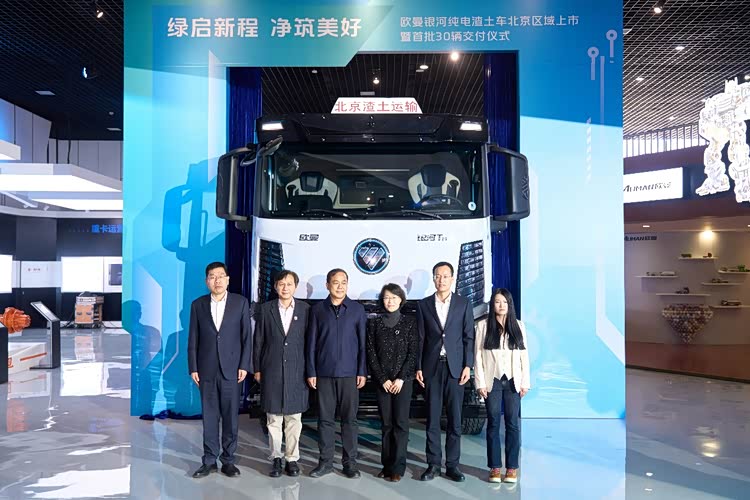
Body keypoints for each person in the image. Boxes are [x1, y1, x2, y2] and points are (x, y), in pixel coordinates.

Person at [188, 262, 252, 478]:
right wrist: (193, 367)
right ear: (207, 281)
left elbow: (247, 337)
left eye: (220, 276)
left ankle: (228, 460)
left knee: (231, 418)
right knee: (209, 418)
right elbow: (193, 338)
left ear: (228, 279)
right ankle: (209, 461)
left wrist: (244, 365)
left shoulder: (240, 303)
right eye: (212, 277)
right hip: (206, 370)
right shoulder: (198, 305)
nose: (217, 280)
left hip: (232, 370)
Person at [415, 261, 474, 482]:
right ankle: (433, 465)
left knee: (455, 420)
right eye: (437, 276)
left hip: (455, 368)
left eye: (445, 276)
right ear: (433, 279)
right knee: (432, 419)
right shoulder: (423, 305)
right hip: (431, 368)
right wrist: (418, 366)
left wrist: (468, 365)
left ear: (452, 278)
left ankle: (452, 466)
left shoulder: (463, 304)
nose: (441, 280)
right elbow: (420, 338)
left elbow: (469, 336)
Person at [306, 268, 367, 479]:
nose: (340, 286)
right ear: (327, 285)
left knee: (350, 420)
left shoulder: (357, 310)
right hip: (324, 373)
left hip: (350, 374)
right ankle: (325, 463)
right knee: (325, 420)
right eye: (335, 282)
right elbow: (311, 344)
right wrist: (311, 371)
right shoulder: (317, 310)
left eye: (343, 282)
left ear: (347, 285)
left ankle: (350, 464)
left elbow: (362, 344)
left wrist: (362, 371)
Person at [253, 270, 311, 478]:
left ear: (296, 286)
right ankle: (276, 457)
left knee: (294, 418)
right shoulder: (266, 309)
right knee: (274, 418)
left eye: (289, 284)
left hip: (297, 370)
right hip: (272, 369)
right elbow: (258, 341)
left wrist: (310, 370)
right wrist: (257, 368)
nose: (285, 288)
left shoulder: (305, 310)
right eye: (281, 284)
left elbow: (310, 343)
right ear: (276, 286)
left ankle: (292, 459)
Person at [474, 288, 531, 484]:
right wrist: (480, 383)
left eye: (505, 302)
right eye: (498, 302)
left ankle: (512, 468)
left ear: (510, 305)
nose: (501, 305)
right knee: (493, 422)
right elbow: (478, 357)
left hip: (514, 381)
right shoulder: (482, 326)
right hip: (493, 380)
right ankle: (495, 467)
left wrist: (525, 382)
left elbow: (524, 356)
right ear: (492, 304)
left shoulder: (519, 326)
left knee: (512, 423)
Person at [366, 283, 418, 483]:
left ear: (401, 300)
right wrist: (383, 379)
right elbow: (371, 354)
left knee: (400, 424)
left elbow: (412, 354)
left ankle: (397, 468)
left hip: (403, 382)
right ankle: (386, 466)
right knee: (386, 424)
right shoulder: (374, 324)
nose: (390, 301)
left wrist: (400, 378)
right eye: (387, 297)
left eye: (394, 298)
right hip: (383, 383)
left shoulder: (409, 323)